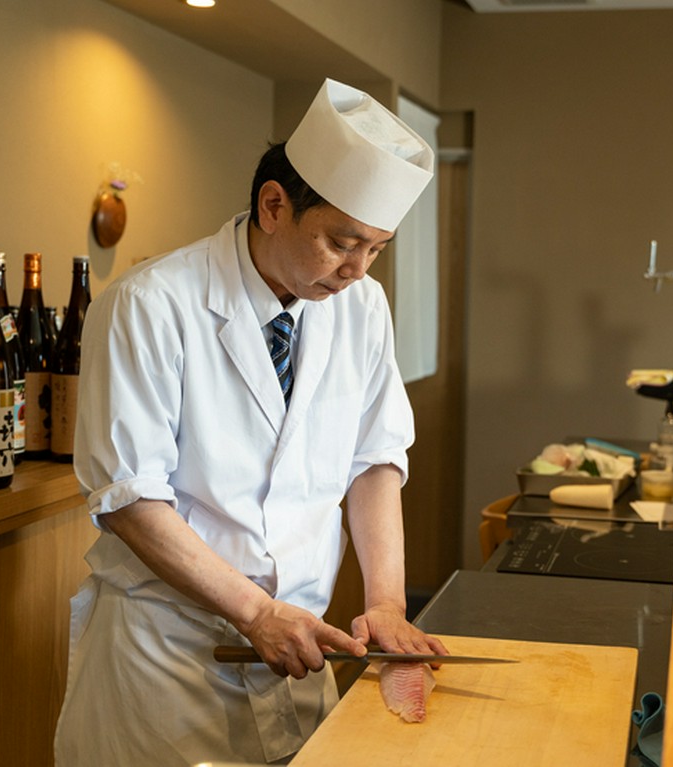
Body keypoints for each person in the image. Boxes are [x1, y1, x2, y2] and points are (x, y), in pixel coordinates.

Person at [53, 78, 448, 765]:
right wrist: (254, 610)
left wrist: (386, 600)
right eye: (341, 242)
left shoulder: (362, 309)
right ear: (274, 205)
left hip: (297, 655)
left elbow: (375, 459)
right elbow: (129, 498)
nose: (357, 269)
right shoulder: (150, 306)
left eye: (376, 248)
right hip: (169, 663)